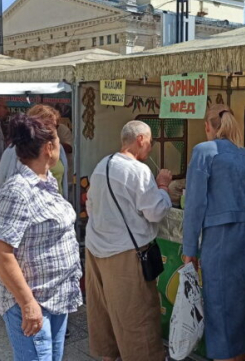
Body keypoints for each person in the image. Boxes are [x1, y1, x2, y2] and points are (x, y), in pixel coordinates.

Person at [0, 114, 82, 361]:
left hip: (56, 296)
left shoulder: (47, 181)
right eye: (58, 142)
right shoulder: (18, 190)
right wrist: (28, 303)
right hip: (33, 300)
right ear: (49, 148)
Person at [85, 120, 172, 361]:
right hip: (126, 253)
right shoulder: (138, 170)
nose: (151, 147)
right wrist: (163, 186)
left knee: (103, 310)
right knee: (137, 313)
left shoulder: (103, 164)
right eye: (151, 141)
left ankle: (108, 355)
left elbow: (90, 206)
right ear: (141, 139)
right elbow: (155, 211)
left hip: (96, 249)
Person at [183, 105, 245, 361]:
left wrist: (189, 251)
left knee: (220, 309)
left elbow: (195, 205)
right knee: (243, 309)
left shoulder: (204, 151)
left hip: (221, 240)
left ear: (208, 127)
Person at [0, 105, 69, 200]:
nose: (53, 129)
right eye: (47, 125)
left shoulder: (59, 148)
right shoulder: (16, 148)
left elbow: (63, 182)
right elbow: (0, 183)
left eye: (55, 126)